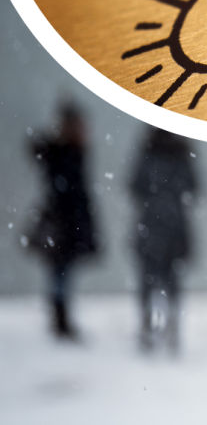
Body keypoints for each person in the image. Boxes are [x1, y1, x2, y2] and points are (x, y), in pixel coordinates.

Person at [25, 102, 98, 340]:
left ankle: (61, 317)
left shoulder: (71, 152)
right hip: (62, 221)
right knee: (60, 271)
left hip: (68, 220)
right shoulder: (62, 152)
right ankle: (60, 318)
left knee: (62, 271)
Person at [128, 126, 198, 353]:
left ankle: (150, 325)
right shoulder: (182, 152)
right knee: (171, 280)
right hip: (173, 226)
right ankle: (170, 326)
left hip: (151, 225)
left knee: (149, 281)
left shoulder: (148, 151)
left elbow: (134, 186)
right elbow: (194, 186)